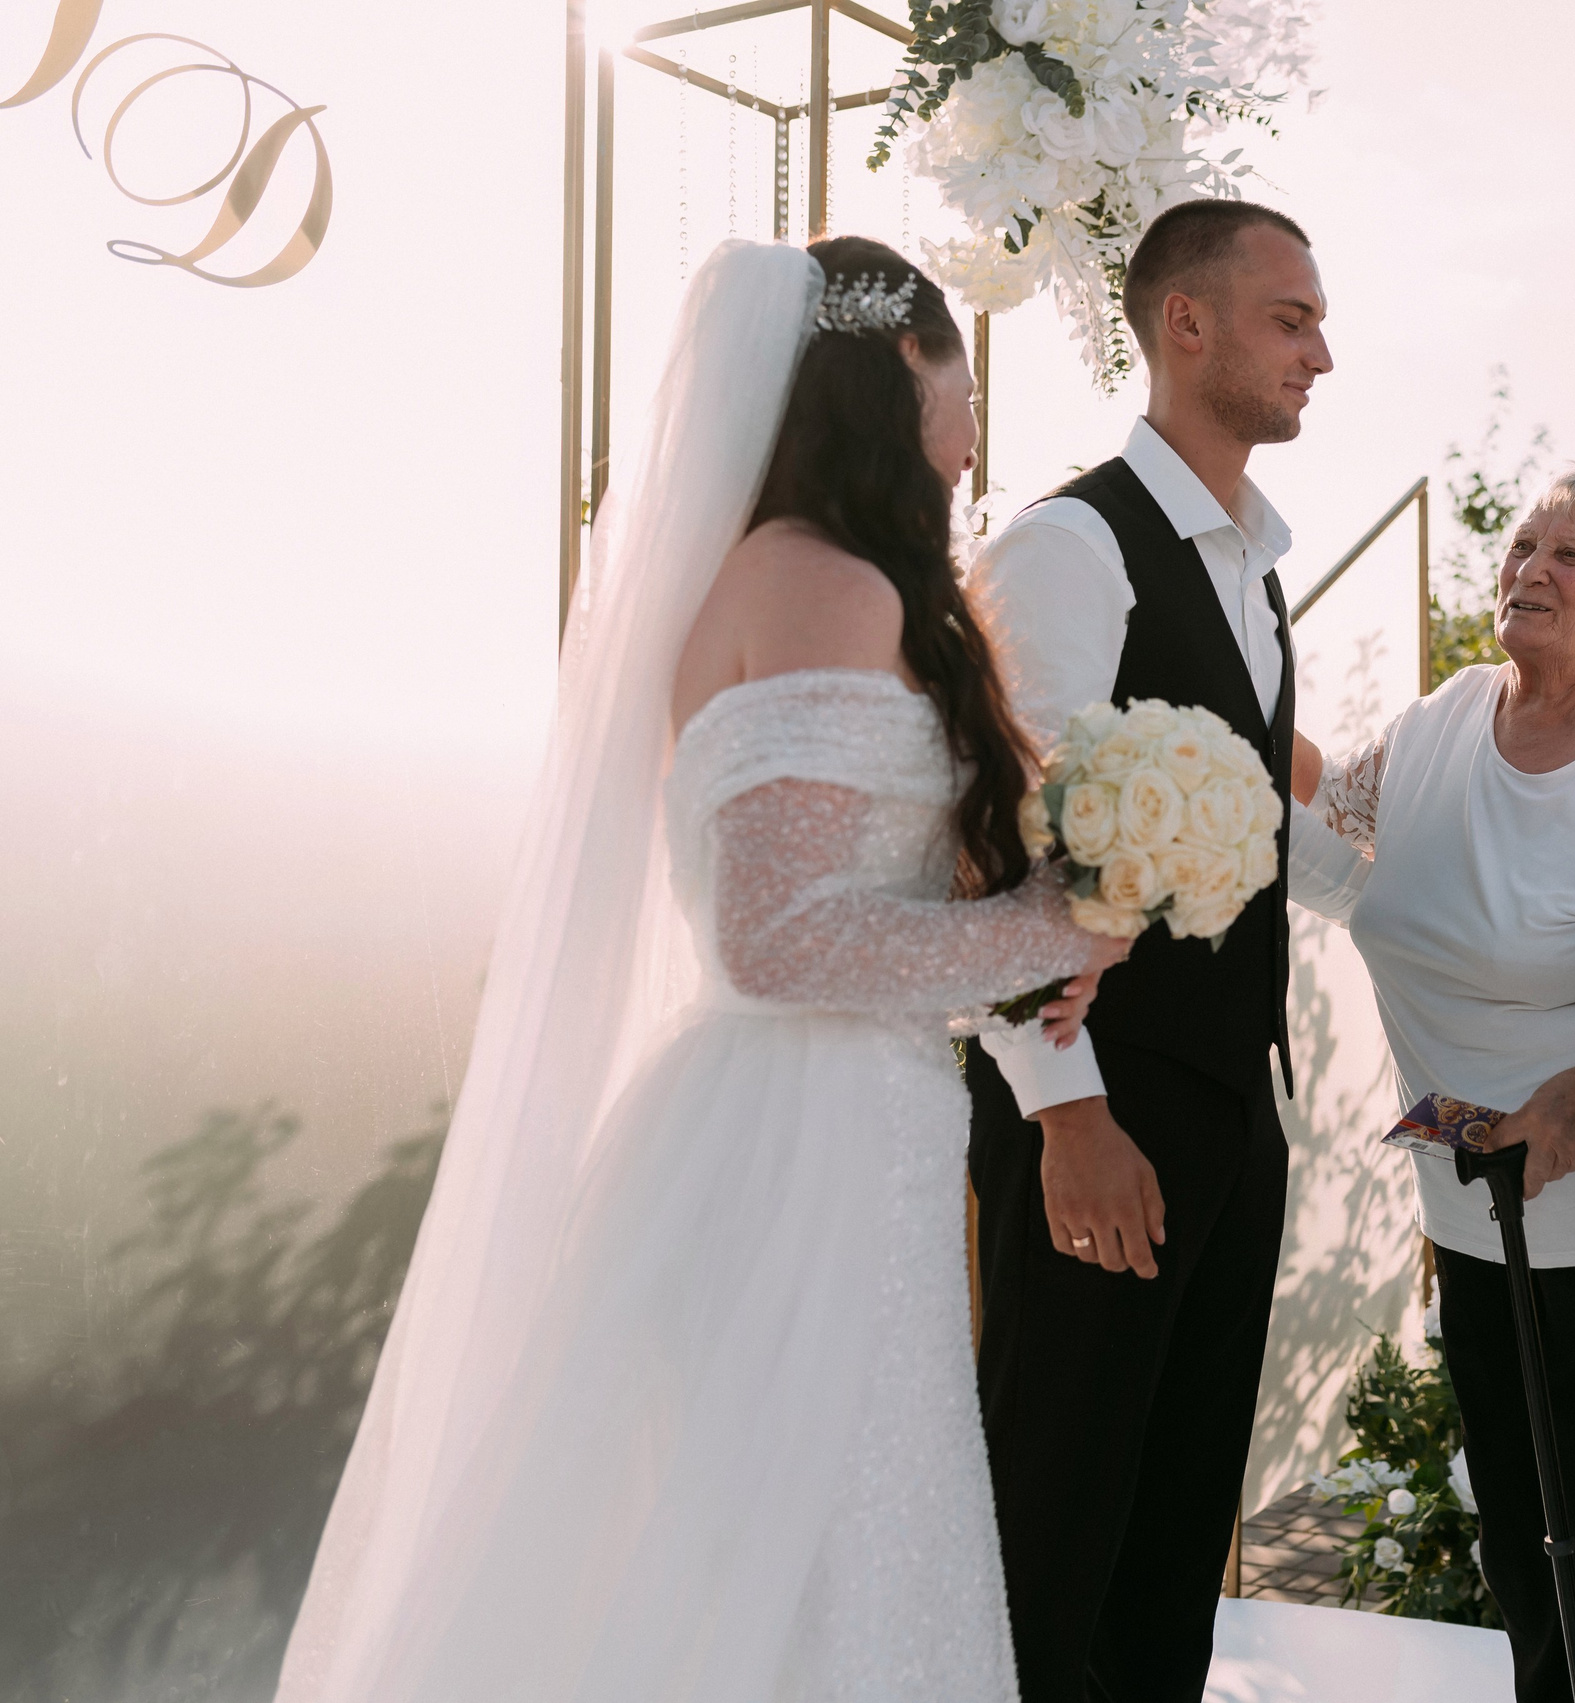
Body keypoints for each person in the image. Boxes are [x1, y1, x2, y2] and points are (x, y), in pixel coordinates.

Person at [274, 237, 1125, 1703]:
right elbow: (779, 936)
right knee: (805, 1548)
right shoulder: (823, 584)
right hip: (807, 1137)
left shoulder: (804, 577)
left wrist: (1020, 915)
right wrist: (1059, 932)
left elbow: (839, 885)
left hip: (846, 1124)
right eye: (958, 374)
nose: (975, 421)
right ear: (891, 373)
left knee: (824, 1534)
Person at [1288, 466, 1575, 1703]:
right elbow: (1336, 835)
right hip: (1475, 1216)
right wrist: (1212, 707)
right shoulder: (1444, 716)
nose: (1530, 569)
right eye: (1522, 545)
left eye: (1571, 556)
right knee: (1520, 1550)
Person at [961, 198, 1327, 1703]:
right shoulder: (1068, 544)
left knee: (1176, 1527)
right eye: (1291, 317)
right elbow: (995, 854)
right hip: (1103, 1113)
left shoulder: (1254, 564)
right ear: (1188, 324)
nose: (1323, 350)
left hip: (1232, 1106)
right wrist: (1070, 1109)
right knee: (1054, 1521)